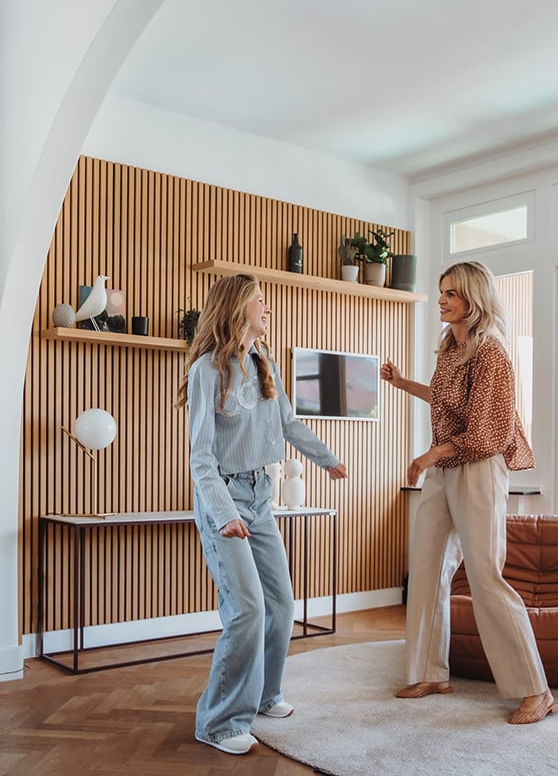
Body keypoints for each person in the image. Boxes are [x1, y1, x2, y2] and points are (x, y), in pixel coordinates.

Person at [176, 273, 347, 755]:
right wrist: (223, 512)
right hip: (225, 500)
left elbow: (287, 424)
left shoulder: (262, 359)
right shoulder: (208, 371)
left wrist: (327, 458)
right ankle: (219, 721)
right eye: (260, 301)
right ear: (237, 308)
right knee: (247, 609)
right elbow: (201, 457)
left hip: (261, 497)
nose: (267, 308)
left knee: (282, 606)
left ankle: (267, 694)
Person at [380, 261, 555, 725]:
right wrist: (401, 384)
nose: (442, 300)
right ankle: (429, 672)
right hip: (445, 466)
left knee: (484, 576)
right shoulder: (449, 350)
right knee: (427, 568)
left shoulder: (491, 354)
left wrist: (425, 458)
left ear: (473, 300)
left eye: (451, 294)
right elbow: (445, 401)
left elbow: (483, 434)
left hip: (477, 468)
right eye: (441, 292)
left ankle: (536, 690)